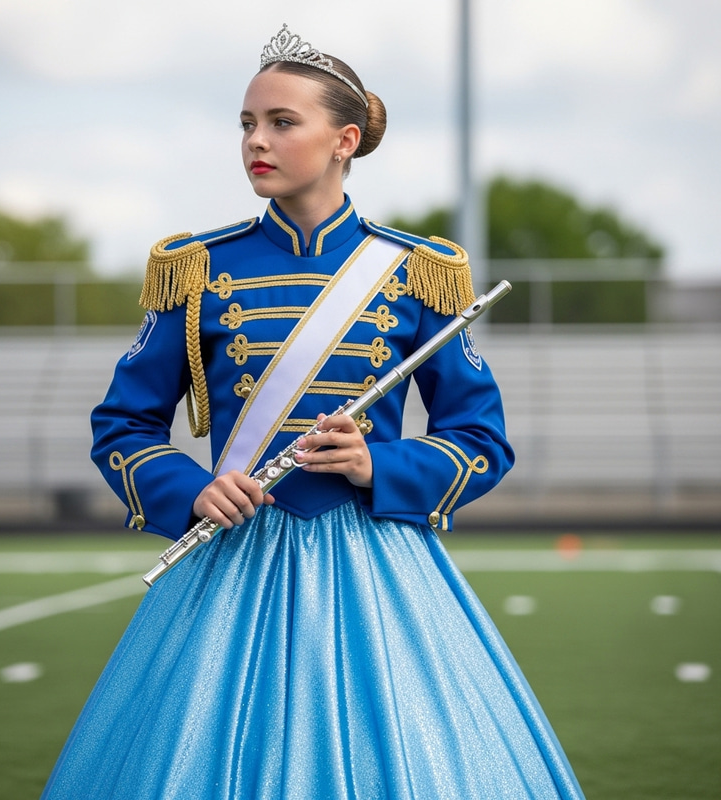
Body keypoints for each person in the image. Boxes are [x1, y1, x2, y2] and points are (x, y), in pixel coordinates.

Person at [42, 23, 584, 799]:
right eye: (246, 124)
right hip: (232, 559)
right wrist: (190, 489)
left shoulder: (416, 273)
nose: (255, 141)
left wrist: (378, 464)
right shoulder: (197, 267)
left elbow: (481, 440)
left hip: (378, 565)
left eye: (281, 122)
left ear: (345, 139)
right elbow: (123, 425)